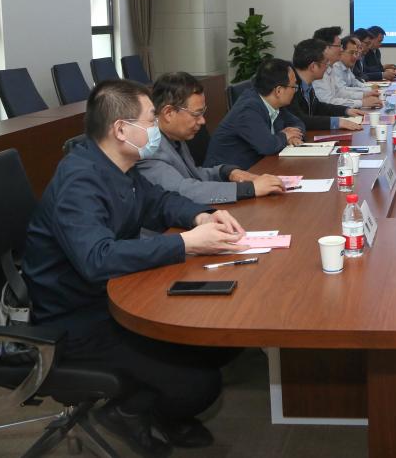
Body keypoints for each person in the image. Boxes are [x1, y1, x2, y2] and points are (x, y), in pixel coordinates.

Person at [22, 79, 249, 456]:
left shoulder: (120, 166)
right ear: (121, 129)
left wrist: (201, 217)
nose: (157, 128)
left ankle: (155, 406)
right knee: (199, 385)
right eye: (150, 120)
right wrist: (184, 244)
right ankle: (128, 410)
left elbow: (160, 202)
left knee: (222, 339)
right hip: (77, 321)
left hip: (119, 294)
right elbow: (97, 259)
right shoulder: (79, 182)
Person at [136, 72, 286, 204]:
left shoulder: (173, 136)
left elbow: (193, 174)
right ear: (169, 113)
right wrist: (250, 189)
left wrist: (227, 172)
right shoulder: (148, 147)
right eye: (196, 114)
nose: (202, 121)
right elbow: (183, 190)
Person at [204, 58, 305, 170]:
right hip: (228, 175)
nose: (295, 91)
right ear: (278, 91)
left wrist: (292, 136)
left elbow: (298, 123)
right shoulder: (247, 109)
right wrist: (285, 136)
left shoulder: (274, 103)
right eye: (293, 87)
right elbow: (268, 146)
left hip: (257, 166)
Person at [289, 38, 366, 131]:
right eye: (326, 62)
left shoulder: (307, 84)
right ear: (313, 66)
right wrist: (337, 122)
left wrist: (346, 110)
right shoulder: (290, 86)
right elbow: (300, 119)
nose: (328, 65)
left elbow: (318, 107)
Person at [314, 35, 383, 109]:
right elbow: (328, 101)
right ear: (326, 48)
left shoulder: (333, 67)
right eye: (339, 46)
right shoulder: (330, 68)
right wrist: (362, 101)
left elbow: (342, 90)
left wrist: (368, 92)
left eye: (355, 52)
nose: (341, 50)